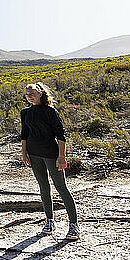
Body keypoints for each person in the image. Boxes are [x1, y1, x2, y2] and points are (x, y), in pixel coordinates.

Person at [21, 82, 80, 240]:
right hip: (34, 154)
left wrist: (62, 156)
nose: (29, 97)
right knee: (43, 188)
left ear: (40, 93)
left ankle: (74, 225)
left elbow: (61, 135)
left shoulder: (50, 111)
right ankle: (49, 221)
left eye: (32, 93)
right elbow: (24, 134)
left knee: (62, 188)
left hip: (51, 154)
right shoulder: (25, 112)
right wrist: (24, 153)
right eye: (27, 94)